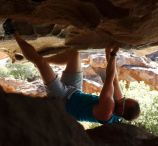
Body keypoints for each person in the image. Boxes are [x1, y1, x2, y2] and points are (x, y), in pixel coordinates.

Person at [3, 19, 140, 124]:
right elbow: (114, 79)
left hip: (62, 101)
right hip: (74, 91)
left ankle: (13, 32)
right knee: (73, 53)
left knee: (41, 62)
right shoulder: (119, 104)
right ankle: (38, 60)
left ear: (121, 110)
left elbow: (109, 77)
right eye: (125, 98)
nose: (122, 98)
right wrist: (107, 52)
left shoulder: (107, 110)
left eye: (124, 101)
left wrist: (113, 55)